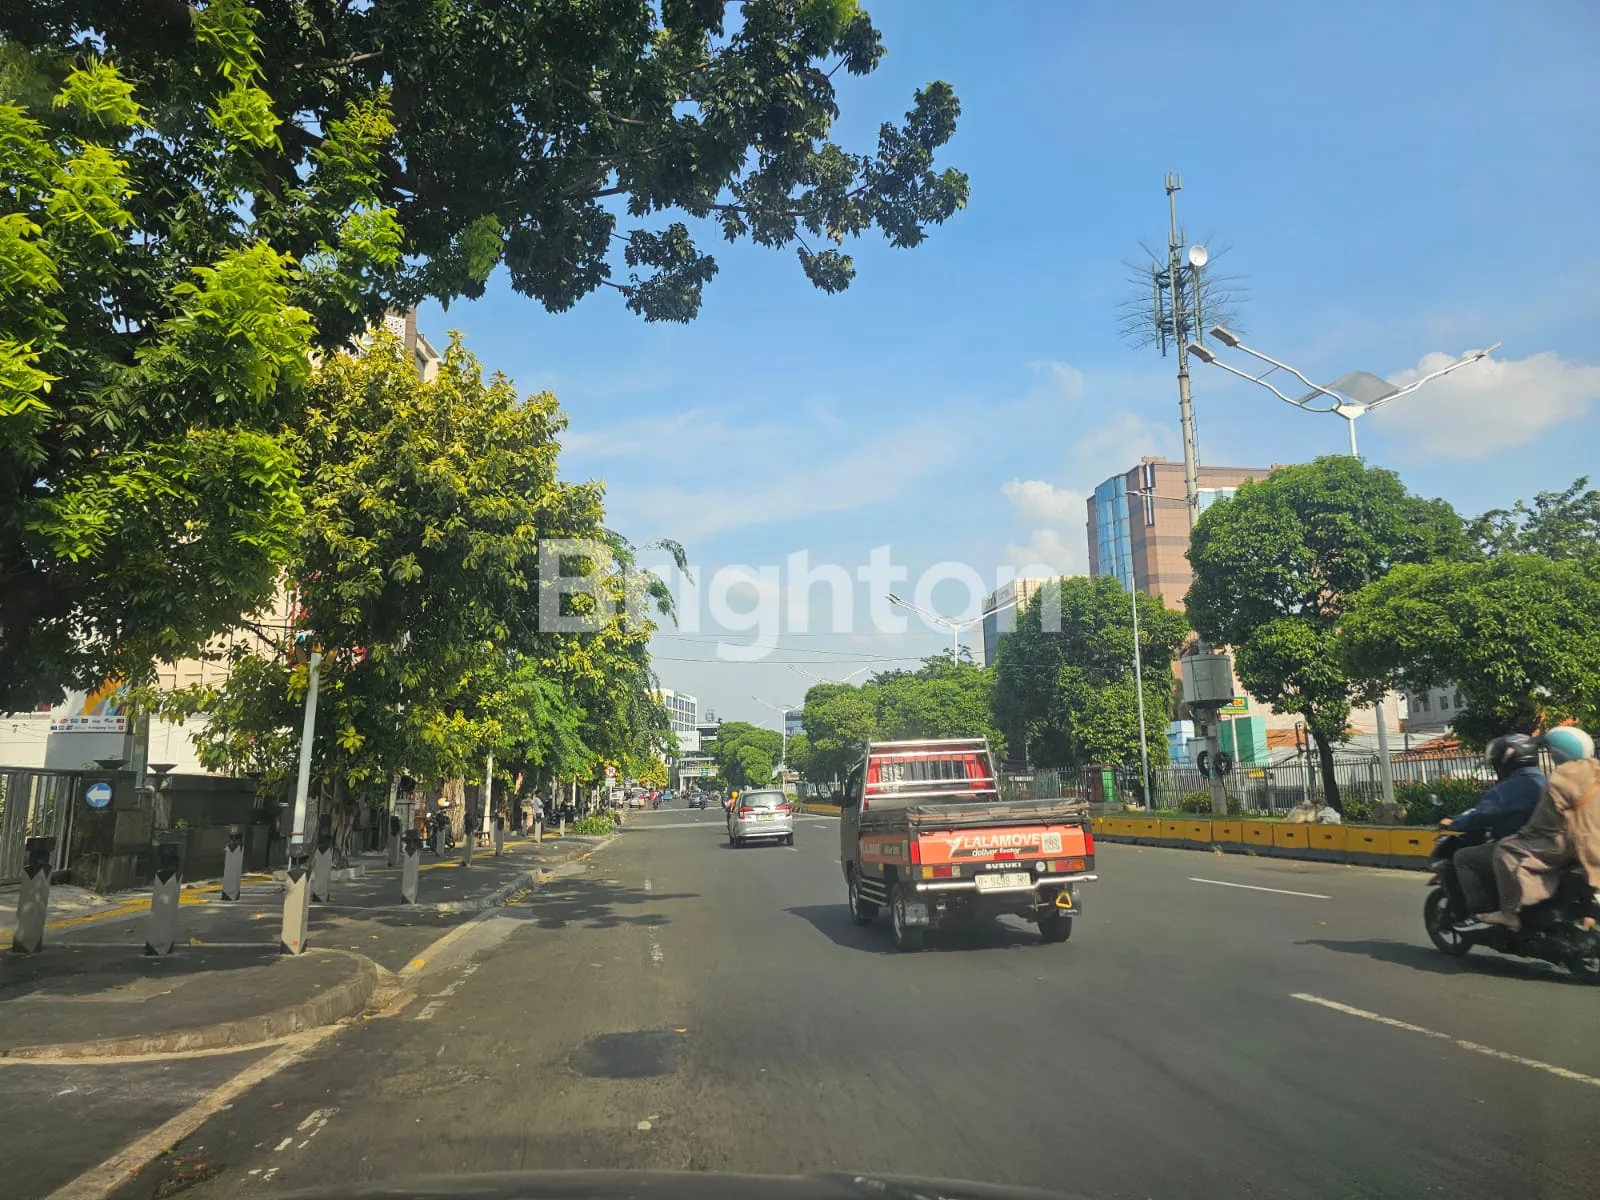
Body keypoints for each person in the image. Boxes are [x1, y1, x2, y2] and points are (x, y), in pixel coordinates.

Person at [1468, 727, 1600, 932]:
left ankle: (1510, 913)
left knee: (1506, 849)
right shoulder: (1596, 769)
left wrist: (1522, 835)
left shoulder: (1560, 779)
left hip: (1576, 844)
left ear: (1557, 753)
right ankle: (1586, 917)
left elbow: (1543, 823)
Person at [1442, 733, 1545, 928]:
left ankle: (1480, 914)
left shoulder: (1508, 789)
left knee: (1463, 858)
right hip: (1548, 849)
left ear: (1506, 761)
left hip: (1518, 848)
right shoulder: (1548, 782)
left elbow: (1481, 816)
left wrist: (1454, 823)